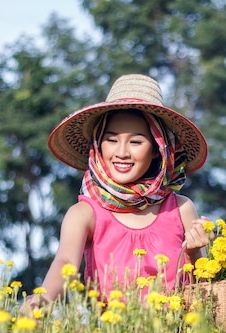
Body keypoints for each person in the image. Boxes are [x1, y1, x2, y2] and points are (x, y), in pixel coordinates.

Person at [21, 74, 210, 313]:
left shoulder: (181, 208)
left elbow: (203, 292)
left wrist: (194, 253)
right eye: (111, 140)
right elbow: (65, 262)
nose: (121, 152)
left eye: (136, 142)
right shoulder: (84, 213)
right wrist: (42, 300)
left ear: (157, 150)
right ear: (99, 145)